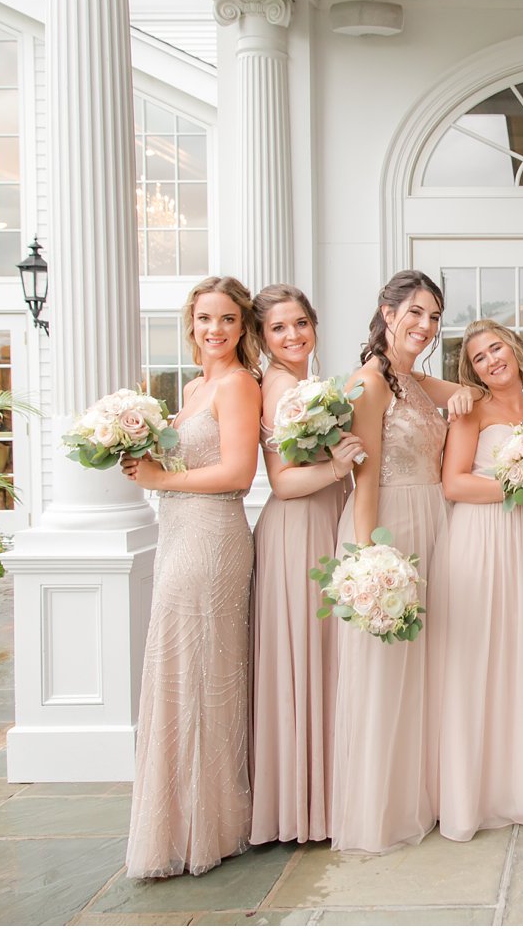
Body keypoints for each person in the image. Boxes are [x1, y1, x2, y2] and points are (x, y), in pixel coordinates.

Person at [122, 276, 263, 878]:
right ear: (191, 323)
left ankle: (214, 824)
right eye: (206, 318)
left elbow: (237, 472)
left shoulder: (238, 385)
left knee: (206, 669)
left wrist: (160, 480)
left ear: (242, 327)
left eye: (228, 320)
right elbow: (186, 461)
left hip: (211, 539)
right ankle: (179, 815)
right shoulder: (191, 386)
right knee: (181, 667)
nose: (215, 330)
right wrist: (143, 462)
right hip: (177, 531)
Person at [328, 269, 472, 854]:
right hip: (387, 524)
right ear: (387, 314)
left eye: (435, 317)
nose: (426, 325)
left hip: (432, 520)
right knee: (385, 671)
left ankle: (422, 793)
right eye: (415, 312)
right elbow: (364, 481)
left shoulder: (414, 381)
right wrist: (370, 562)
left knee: (425, 668)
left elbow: (485, 394)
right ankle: (380, 811)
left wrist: (463, 395)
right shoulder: (370, 383)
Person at [436, 319, 523, 841]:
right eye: (478, 357)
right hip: (480, 539)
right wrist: (520, 486)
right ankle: (484, 788)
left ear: (516, 350)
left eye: (496, 348)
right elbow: (453, 484)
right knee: (482, 656)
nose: (491, 360)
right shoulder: (470, 410)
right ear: (470, 369)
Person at [248, 284, 363, 846]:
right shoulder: (281, 386)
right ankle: (305, 806)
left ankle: (325, 793)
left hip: (324, 520)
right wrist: (340, 467)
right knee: (308, 656)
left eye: (300, 323)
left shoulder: (306, 384)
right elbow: (285, 482)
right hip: (298, 529)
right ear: (263, 338)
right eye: (278, 328)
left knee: (325, 656)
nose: (293, 336)